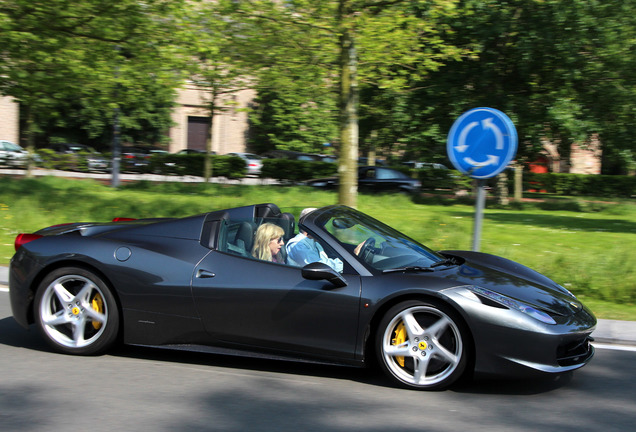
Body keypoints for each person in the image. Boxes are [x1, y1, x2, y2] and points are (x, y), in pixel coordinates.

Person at [286, 208, 344, 272]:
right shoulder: (297, 245)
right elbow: (321, 267)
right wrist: (345, 263)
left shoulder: (316, 244)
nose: (325, 229)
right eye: (320, 225)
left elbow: (326, 264)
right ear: (310, 226)